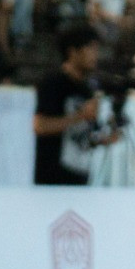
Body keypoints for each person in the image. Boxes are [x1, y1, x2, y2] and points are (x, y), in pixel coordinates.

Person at [33, 23, 119, 185]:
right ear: (73, 52)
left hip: (80, 176)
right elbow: (40, 126)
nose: (95, 55)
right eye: (90, 48)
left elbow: (83, 137)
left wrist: (105, 139)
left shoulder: (88, 88)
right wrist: (79, 116)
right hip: (53, 178)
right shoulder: (53, 83)